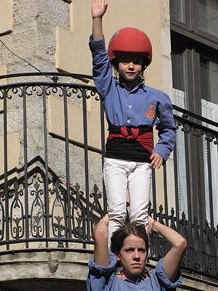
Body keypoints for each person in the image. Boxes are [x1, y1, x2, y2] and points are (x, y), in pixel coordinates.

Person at [89, 0, 176, 240]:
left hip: (141, 161)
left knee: (139, 215)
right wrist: (97, 19)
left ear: (143, 64)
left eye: (136, 61)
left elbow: (169, 129)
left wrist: (161, 149)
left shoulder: (158, 98)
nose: (130, 65)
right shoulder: (109, 88)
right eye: (126, 60)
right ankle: (116, 261)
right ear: (117, 63)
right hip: (116, 159)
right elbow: (98, 55)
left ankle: (140, 258)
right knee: (116, 213)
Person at [87, 215, 187, 290]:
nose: (137, 256)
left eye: (141, 250)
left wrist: (154, 225)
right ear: (118, 255)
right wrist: (108, 218)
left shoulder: (157, 281)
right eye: (129, 250)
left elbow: (179, 243)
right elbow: (100, 233)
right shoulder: (107, 283)